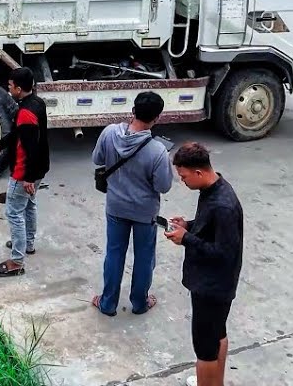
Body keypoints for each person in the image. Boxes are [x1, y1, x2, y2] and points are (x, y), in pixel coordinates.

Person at [164, 142, 243, 386]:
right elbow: (210, 228)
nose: (182, 181)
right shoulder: (213, 189)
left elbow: (223, 253)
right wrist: (188, 225)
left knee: (205, 347)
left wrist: (186, 239)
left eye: (184, 176)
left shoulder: (223, 205)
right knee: (217, 334)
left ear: (198, 172)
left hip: (212, 286)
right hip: (216, 283)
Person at [91, 91, 172, 317]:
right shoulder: (158, 150)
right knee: (144, 258)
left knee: (114, 254)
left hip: (115, 207)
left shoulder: (109, 133)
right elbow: (163, 186)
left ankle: (107, 303)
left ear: (133, 111)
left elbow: (97, 159)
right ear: (157, 118)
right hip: (145, 213)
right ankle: (139, 303)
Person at [0, 66, 49, 278]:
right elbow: (20, 133)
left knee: (14, 212)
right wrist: (4, 142)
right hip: (40, 168)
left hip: (24, 173)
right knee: (29, 205)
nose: (9, 89)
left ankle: (16, 261)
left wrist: (27, 178)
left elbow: (31, 147)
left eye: (10, 86)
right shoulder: (37, 103)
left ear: (18, 88)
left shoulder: (25, 113)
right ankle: (28, 243)